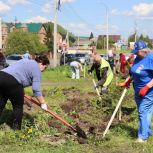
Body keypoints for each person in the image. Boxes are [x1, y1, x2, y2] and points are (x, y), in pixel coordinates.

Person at [0, 54, 50, 130]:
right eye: (45, 68)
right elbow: (36, 89)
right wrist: (43, 103)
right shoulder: (37, 69)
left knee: (1, 103)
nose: (43, 70)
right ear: (42, 64)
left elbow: (17, 74)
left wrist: (19, 92)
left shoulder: (25, 61)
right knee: (18, 106)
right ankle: (16, 129)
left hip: (1, 76)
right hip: (13, 82)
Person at [119, 40, 153, 142]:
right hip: (138, 90)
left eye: (137, 51)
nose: (135, 53)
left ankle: (143, 137)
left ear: (144, 51)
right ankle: (147, 131)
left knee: (142, 112)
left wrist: (147, 87)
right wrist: (128, 81)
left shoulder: (151, 58)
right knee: (145, 113)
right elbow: (134, 71)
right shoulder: (138, 57)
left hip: (149, 92)